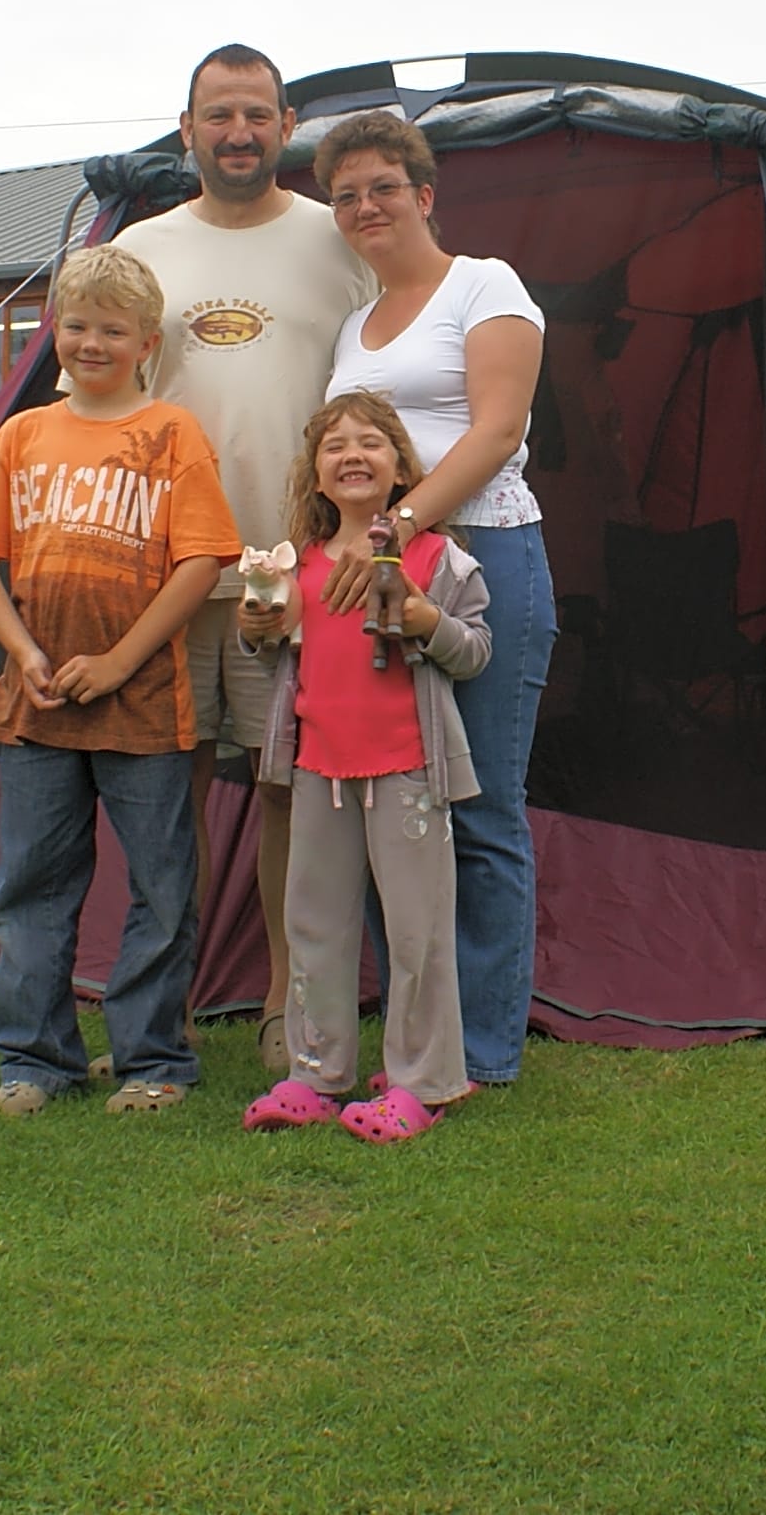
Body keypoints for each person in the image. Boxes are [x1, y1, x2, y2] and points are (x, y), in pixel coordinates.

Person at [111, 45, 379, 1067]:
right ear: (186, 129)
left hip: (299, 574)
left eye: (257, 115)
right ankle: (157, 1014)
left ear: (285, 126)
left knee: (290, 799)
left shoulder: (337, 238)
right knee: (161, 800)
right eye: (217, 115)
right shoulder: (143, 247)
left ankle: (284, 1006)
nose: (237, 133)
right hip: (166, 573)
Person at [0, 244, 240, 1119]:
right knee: (31, 885)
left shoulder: (174, 434)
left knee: (160, 884)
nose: (92, 342)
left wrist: (121, 660)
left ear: (147, 341)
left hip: (146, 705)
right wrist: (23, 652)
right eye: (76, 325)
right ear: (53, 333)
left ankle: (152, 1059)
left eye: (113, 329)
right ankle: (34, 1062)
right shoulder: (23, 434)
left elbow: (198, 565)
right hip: (35, 708)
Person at [312, 108, 552, 1090]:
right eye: (345, 195)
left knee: (482, 808)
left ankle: (486, 1049)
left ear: (423, 194)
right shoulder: (350, 325)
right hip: (377, 575)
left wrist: (395, 531)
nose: (364, 206)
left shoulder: (485, 285)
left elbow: (494, 431)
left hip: (481, 556)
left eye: (381, 186)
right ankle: (416, 1041)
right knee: (388, 809)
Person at [236, 391, 491, 1143]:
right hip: (319, 770)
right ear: (316, 476)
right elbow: (274, 652)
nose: (353, 455)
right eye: (335, 446)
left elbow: (474, 652)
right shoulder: (297, 562)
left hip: (409, 772)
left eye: (372, 443)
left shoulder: (437, 559)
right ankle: (316, 1073)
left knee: (416, 934)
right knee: (313, 924)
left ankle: (424, 1080)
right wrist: (256, 628)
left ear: (403, 471)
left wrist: (423, 620)